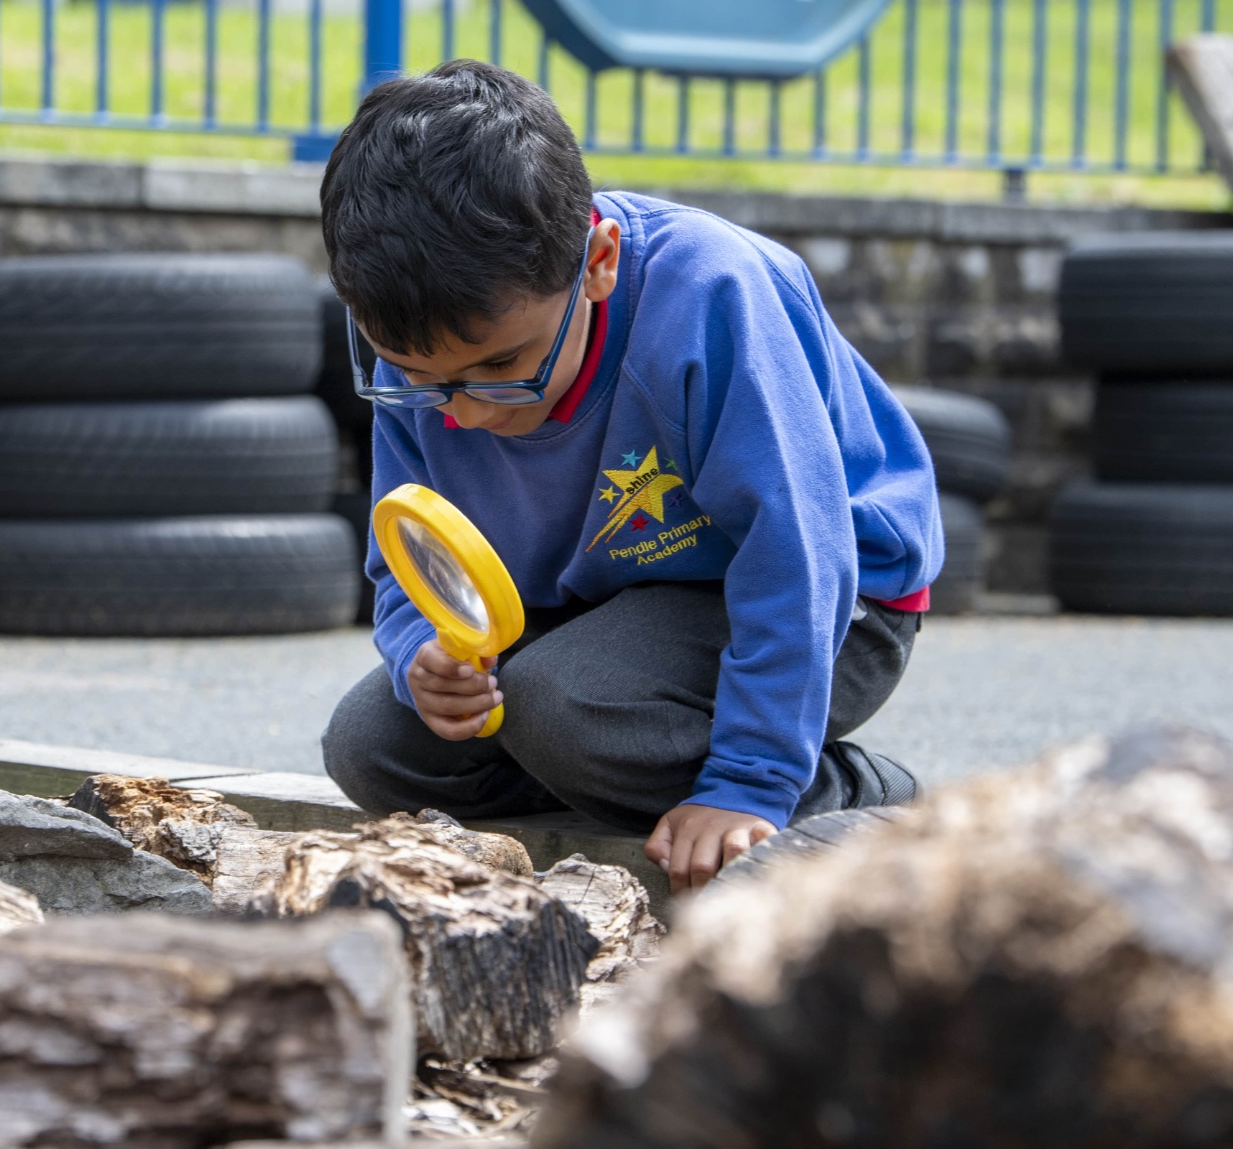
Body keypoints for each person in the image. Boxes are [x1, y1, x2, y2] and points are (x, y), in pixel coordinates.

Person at [319, 59, 940, 895]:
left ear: (600, 261)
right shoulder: (422, 364)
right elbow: (411, 552)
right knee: (372, 745)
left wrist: (749, 782)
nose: (461, 413)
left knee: (563, 709)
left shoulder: (711, 294)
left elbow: (797, 554)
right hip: (604, 603)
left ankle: (856, 798)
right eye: (422, 379)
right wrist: (418, 653)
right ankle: (615, 773)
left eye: (504, 366)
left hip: (833, 603)